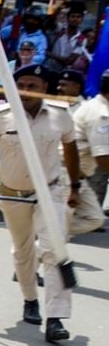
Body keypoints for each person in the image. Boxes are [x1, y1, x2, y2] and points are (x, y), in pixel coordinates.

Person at [0, 63, 81, 343]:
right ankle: (30, 299)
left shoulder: (60, 115)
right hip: (11, 195)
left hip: (50, 192)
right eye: (21, 85)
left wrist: (74, 187)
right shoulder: (0, 116)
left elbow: (72, 151)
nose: (25, 91)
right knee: (23, 251)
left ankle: (56, 318)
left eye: (33, 86)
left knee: (54, 249)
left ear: (45, 90)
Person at [71, 70, 109, 230]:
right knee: (56, 226)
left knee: (94, 219)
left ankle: (46, 231)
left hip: (77, 175)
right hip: (63, 174)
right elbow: (103, 158)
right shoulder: (100, 114)